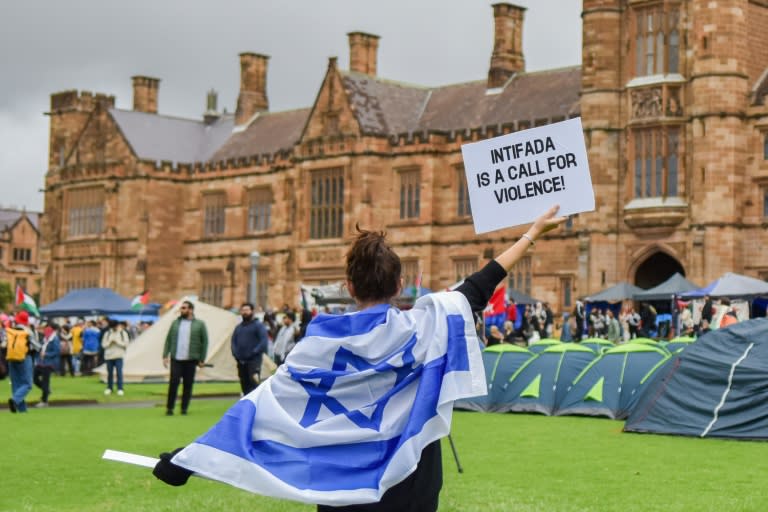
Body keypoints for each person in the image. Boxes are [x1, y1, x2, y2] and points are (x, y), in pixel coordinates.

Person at [152, 205, 566, 510]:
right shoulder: (426, 326)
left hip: (341, 487)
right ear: (401, 284)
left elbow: (257, 409)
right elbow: (481, 283)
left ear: (349, 286)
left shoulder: (316, 347)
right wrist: (532, 233)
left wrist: (186, 460)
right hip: (412, 483)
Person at [162, 301, 208, 416]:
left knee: (188, 385)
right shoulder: (175, 323)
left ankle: (184, 408)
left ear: (191, 310)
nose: (181, 310)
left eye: (184, 308)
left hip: (191, 359)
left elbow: (204, 342)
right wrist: (165, 355)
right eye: (181, 308)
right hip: (176, 358)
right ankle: (170, 408)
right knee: (173, 383)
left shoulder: (200, 324)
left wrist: (202, 359)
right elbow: (168, 339)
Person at [231, 302, 269, 396]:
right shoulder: (238, 328)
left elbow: (263, 342)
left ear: (252, 311)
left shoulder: (258, 326)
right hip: (241, 362)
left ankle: (257, 408)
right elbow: (233, 342)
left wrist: (253, 352)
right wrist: (236, 355)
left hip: (254, 361)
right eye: (243, 310)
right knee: (244, 385)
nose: (245, 312)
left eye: (247, 310)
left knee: (254, 385)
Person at [6, 311, 38, 413]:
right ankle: (14, 400)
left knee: (16, 383)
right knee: (28, 384)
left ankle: (22, 410)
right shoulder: (28, 331)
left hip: (11, 358)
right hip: (24, 358)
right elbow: (36, 346)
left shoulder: (11, 330)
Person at [33, 322, 61, 407]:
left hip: (49, 363)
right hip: (41, 362)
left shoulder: (54, 339)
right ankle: (47, 391)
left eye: (47, 328)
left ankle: (44, 401)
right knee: (34, 378)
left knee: (45, 382)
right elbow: (41, 347)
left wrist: (46, 354)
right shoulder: (46, 338)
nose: (45, 329)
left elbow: (56, 351)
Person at [102, 319, 129, 396]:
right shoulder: (107, 333)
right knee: (109, 373)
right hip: (109, 356)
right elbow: (103, 345)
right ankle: (109, 388)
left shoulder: (123, 333)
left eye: (115, 327)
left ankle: (120, 388)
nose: (114, 328)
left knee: (119, 373)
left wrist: (117, 342)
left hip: (119, 355)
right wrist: (110, 342)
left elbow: (126, 344)